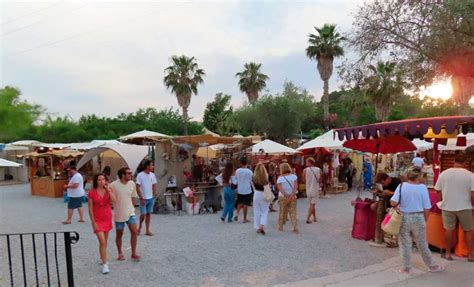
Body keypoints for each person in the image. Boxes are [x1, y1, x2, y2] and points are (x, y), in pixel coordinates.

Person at [390, 166, 444, 273]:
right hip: (418, 217)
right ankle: (432, 266)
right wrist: (425, 219)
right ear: (419, 176)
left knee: (405, 243)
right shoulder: (422, 188)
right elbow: (427, 207)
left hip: (404, 217)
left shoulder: (401, 186)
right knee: (422, 244)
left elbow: (393, 202)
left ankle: (405, 268)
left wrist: (399, 206)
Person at [434, 153, 474, 262]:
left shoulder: (444, 174)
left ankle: (447, 254)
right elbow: (472, 193)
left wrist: (441, 201)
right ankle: (470, 255)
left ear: (453, 161)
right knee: (468, 230)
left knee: (448, 229)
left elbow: (438, 190)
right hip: (465, 206)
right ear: (465, 162)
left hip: (448, 206)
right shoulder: (470, 175)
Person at [87, 173, 116, 274]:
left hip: (107, 217)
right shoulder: (91, 192)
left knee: (105, 241)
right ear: (96, 181)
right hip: (97, 219)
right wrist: (93, 222)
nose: (102, 181)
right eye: (99, 180)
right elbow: (90, 209)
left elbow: (114, 200)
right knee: (102, 241)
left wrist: (109, 190)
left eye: (103, 179)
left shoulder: (108, 190)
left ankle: (102, 256)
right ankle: (105, 263)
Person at [110, 167, 140, 262]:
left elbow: (133, 197)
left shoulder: (132, 184)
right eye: (129, 173)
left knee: (134, 232)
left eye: (131, 173)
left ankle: (133, 253)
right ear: (122, 175)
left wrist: (133, 208)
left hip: (130, 212)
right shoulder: (113, 185)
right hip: (119, 213)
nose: (131, 175)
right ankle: (120, 253)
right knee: (119, 234)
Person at [136, 159, 157, 236]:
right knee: (143, 214)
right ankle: (140, 227)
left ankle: (147, 230)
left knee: (148, 214)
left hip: (150, 198)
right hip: (143, 198)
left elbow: (154, 185)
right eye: (151, 165)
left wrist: (153, 195)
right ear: (147, 166)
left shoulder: (152, 175)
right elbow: (137, 187)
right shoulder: (140, 175)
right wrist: (141, 198)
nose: (153, 166)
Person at [277, 162, 299, 234]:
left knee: (282, 211)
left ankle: (281, 227)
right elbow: (295, 187)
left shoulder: (280, 178)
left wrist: (286, 195)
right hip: (293, 197)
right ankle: (295, 227)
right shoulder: (294, 177)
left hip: (282, 197)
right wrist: (291, 195)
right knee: (293, 212)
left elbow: (280, 188)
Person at [252, 163, 270, 235]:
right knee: (264, 211)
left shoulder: (254, 177)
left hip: (256, 194)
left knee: (257, 211)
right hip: (264, 194)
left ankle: (258, 226)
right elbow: (267, 185)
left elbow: (253, 185)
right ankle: (261, 226)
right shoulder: (266, 177)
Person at [234, 157, 253, 223]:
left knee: (239, 202)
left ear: (240, 163)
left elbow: (235, 180)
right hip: (247, 189)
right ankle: (244, 218)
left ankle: (237, 214)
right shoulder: (250, 172)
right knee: (245, 204)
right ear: (247, 163)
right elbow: (251, 180)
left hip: (240, 189)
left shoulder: (237, 171)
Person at [303, 158, 321, 224]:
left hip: (308, 189)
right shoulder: (318, 169)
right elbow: (319, 180)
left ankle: (315, 217)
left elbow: (304, 180)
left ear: (310, 163)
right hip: (315, 188)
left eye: (306, 162)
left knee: (312, 204)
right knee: (312, 205)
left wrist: (308, 182)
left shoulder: (305, 170)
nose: (306, 164)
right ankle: (308, 218)